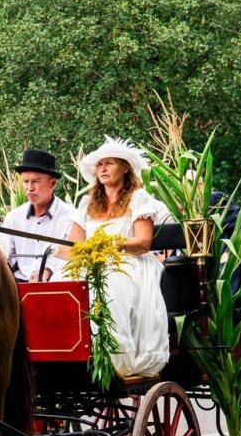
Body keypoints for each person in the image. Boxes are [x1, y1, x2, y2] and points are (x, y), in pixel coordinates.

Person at [65, 138, 169, 380]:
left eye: (109, 163)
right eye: (99, 164)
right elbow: (73, 244)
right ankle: (71, 352)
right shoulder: (87, 203)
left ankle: (112, 355)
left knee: (111, 281)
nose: (102, 169)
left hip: (129, 262)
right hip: (93, 261)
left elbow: (143, 242)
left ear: (124, 168)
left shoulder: (138, 198)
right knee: (64, 281)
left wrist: (110, 244)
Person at [2, 147, 77, 282]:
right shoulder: (13, 218)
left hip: (56, 284)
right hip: (18, 285)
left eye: (36, 181)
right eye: (26, 181)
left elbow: (72, 254)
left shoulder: (70, 217)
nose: (30, 188)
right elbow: (4, 254)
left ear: (52, 184)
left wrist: (48, 269)